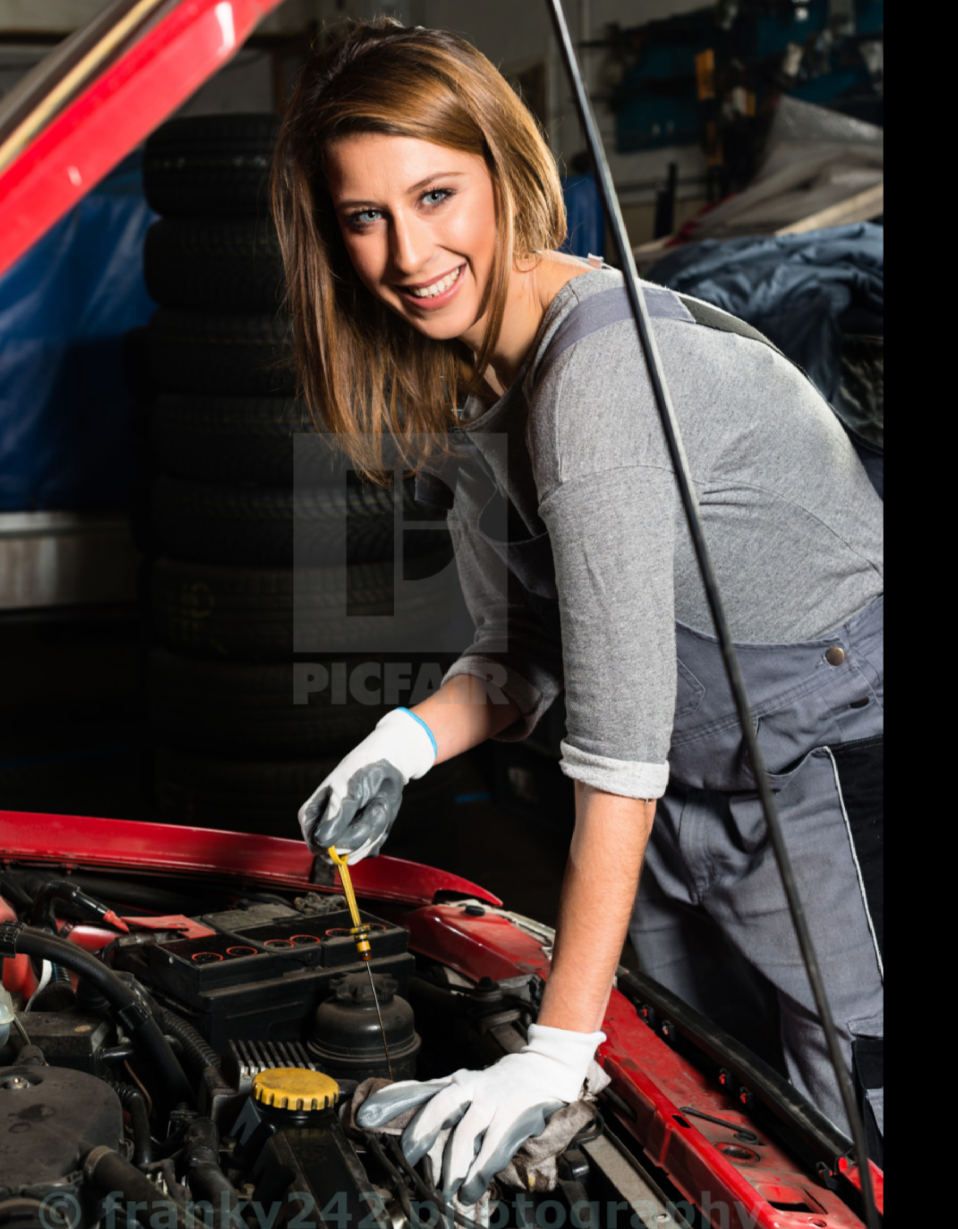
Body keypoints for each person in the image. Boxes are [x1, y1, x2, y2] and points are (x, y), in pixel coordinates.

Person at [271, 18, 884, 1206]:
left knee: (845, 1129)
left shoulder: (596, 381)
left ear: (505, 170)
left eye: (439, 193)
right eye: (366, 217)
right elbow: (528, 658)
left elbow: (616, 751)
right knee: (695, 1107)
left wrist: (551, 1054)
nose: (409, 251)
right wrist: (406, 739)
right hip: (682, 793)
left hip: (827, 771)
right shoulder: (478, 381)